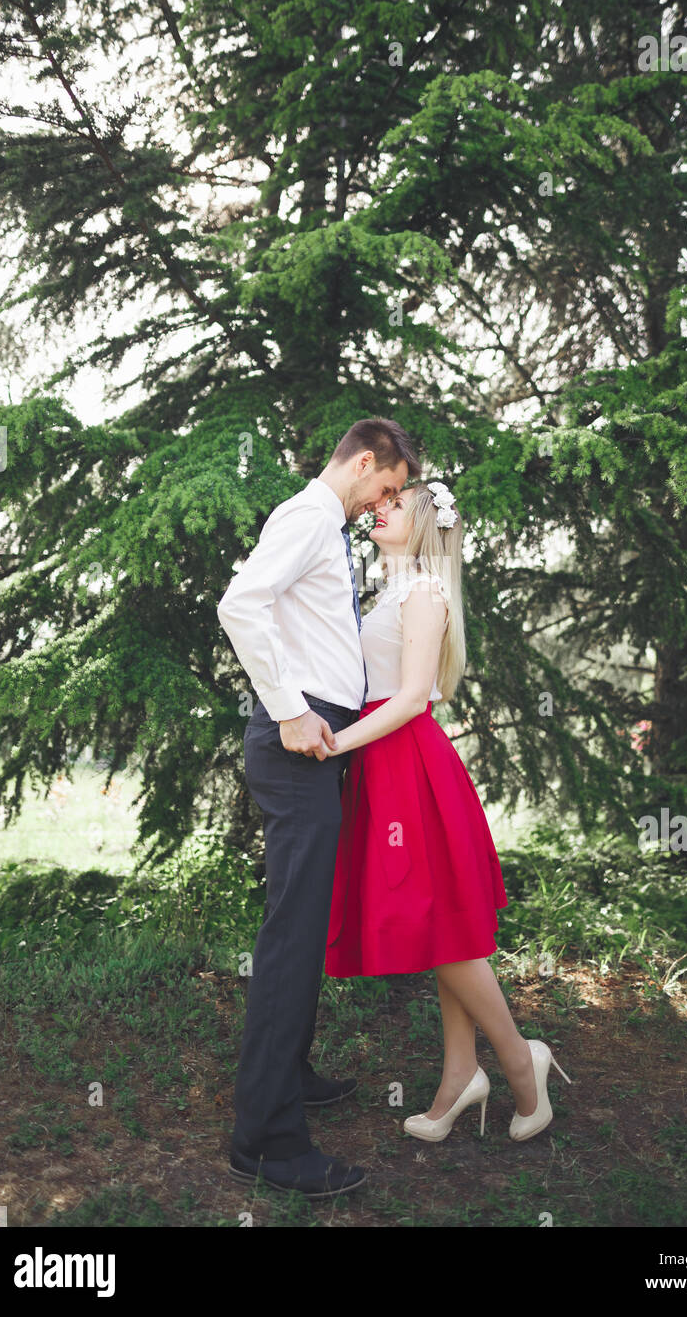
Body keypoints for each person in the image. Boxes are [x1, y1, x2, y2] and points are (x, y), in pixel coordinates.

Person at [323, 479, 572, 1144]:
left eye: (395, 505)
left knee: (445, 930)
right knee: (442, 929)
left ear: (425, 525)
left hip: (408, 763)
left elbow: (406, 701)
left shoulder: (425, 592)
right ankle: (462, 1074)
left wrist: (332, 744)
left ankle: (522, 1063)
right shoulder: (392, 590)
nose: (381, 508)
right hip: (384, 766)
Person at [216, 417, 422, 1200]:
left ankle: (291, 1072)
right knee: (292, 937)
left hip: (314, 751)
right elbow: (242, 605)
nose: (386, 502)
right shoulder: (307, 517)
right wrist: (292, 709)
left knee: (305, 925)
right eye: (389, 486)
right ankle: (265, 1139)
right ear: (365, 461)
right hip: (297, 745)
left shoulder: (326, 528)